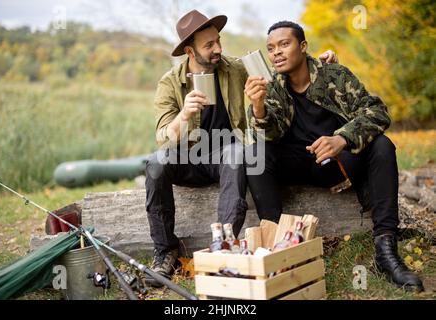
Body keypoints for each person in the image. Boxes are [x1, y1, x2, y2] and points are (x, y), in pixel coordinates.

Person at [144, 10, 338, 287]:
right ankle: (165, 251)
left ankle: (225, 247)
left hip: (228, 156)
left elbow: (283, 73)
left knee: (237, 152)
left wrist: (318, 62)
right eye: (209, 45)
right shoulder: (170, 83)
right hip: (190, 158)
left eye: (218, 41)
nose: (218, 49)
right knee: (155, 163)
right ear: (189, 50)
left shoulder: (234, 68)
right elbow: (164, 139)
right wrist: (184, 114)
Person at [244, 20, 423, 292]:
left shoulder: (335, 75)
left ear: (303, 47)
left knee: (383, 145)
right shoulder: (273, 86)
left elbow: (377, 111)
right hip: (297, 163)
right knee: (255, 152)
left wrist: (342, 138)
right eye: (271, 48)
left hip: (338, 163)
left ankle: (386, 250)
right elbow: (269, 133)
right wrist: (258, 108)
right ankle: (275, 249)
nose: (276, 53)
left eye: (284, 44)